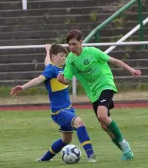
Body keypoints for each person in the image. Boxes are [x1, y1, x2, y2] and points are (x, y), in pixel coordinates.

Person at [57, 29, 140, 161]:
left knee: (102, 115)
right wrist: (62, 80)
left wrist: (131, 70)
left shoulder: (92, 52)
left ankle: (125, 145)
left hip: (105, 83)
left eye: (74, 44)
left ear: (81, 42)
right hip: (93, 92)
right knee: (104, 125)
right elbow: (67, 79)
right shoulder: (71, 60)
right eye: (69, 45)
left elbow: (114, 61)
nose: (71, 47)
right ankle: (127, 152)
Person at [10, 44, 97, 162]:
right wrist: (23, 87)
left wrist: (47, 50)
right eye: (61, 56)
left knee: (66, 140)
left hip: (68, 109)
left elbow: (47, 61)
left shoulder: (55, 66)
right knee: (79, 122)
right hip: (59, 111)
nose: (64, 58)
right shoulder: (51, 70)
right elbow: (38, 79)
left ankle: (44, 159)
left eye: (65, 56)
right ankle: (91, 156)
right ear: (54, 57)